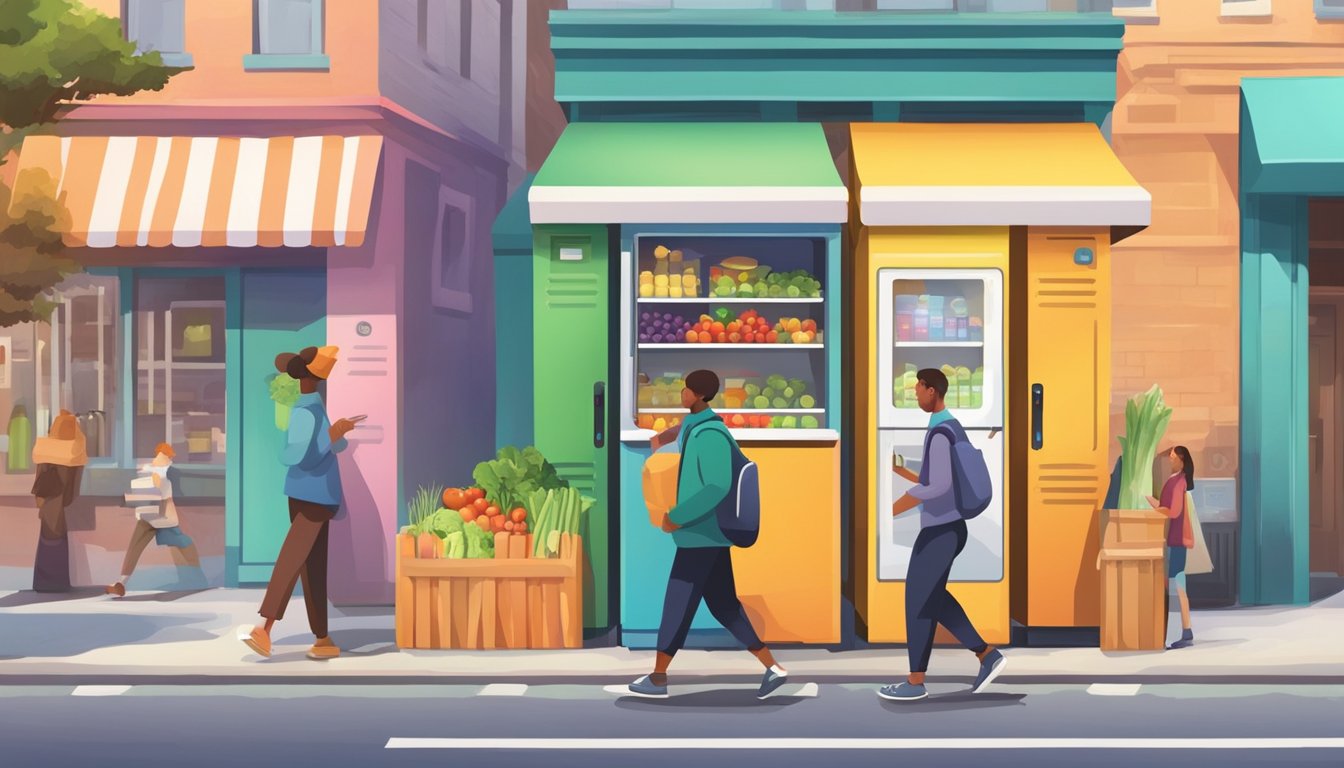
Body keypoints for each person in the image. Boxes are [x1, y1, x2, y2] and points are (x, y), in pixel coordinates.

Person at [624, 369, 788, 699]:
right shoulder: (695, 425)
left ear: (697, 395)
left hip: (701, 534)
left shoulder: (711, 435)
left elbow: (716, 485)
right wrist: (660, 439)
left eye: (686, 390)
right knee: (724, 605)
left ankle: (658, 677)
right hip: (706, 537)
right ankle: (773, 667)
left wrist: (676, 517)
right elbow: (680, 429)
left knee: (677, 602)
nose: (681, 394)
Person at [881, 368, 1005, 702]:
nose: (916, 394)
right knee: (933, 599)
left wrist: (891, 509)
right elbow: (935, 478)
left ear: (932, 390)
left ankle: (915, 681)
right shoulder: (951, 426)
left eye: (918, 389)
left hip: (940, 530)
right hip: (949, 529)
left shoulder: (939, 432)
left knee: (918, 602)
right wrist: (902, 471)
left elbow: (937, 486)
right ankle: (986, 654)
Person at [242, 346, 359, 661]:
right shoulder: (305, 412)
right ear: (315, 378)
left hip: (312, 495)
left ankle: (322, 638)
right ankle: (263, 628)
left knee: (313, 567)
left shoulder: (313, 407)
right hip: (312, 496)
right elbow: (294, 456)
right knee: (293, 559)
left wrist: (339, 431)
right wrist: (332, 434)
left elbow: (336, 445)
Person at [106, 443, 201, 597]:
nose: (161, 457)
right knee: (175, 543)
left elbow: (158, 492)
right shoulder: (155, 470)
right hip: (153, 515)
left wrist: (133, 497)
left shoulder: (160, 471)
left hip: (158, 515)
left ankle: (194, 578)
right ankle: (121, 582)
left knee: (179, 543)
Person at [30, 410, 88, 592]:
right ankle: (58, 582)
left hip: (47, 502)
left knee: (47, 541)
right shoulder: (76, 450)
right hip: (61, 504)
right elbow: (74, 486)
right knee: (58, 541)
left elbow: (39, 478)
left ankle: (44, 583)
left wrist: (39, 500)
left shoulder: (45, 448)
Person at [1148, 445, 1196, 650]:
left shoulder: (1178, 481)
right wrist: (1155, 503)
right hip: (1175, 539)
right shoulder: (1176, 479)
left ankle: (1182, 632)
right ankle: (1185, 631)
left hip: (1175, 539)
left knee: (1177, 587)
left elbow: (1174, 511)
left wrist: (1156, 509)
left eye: (1172, 455)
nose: (1170, 458)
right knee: (1179, 585)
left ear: (1181, 458)